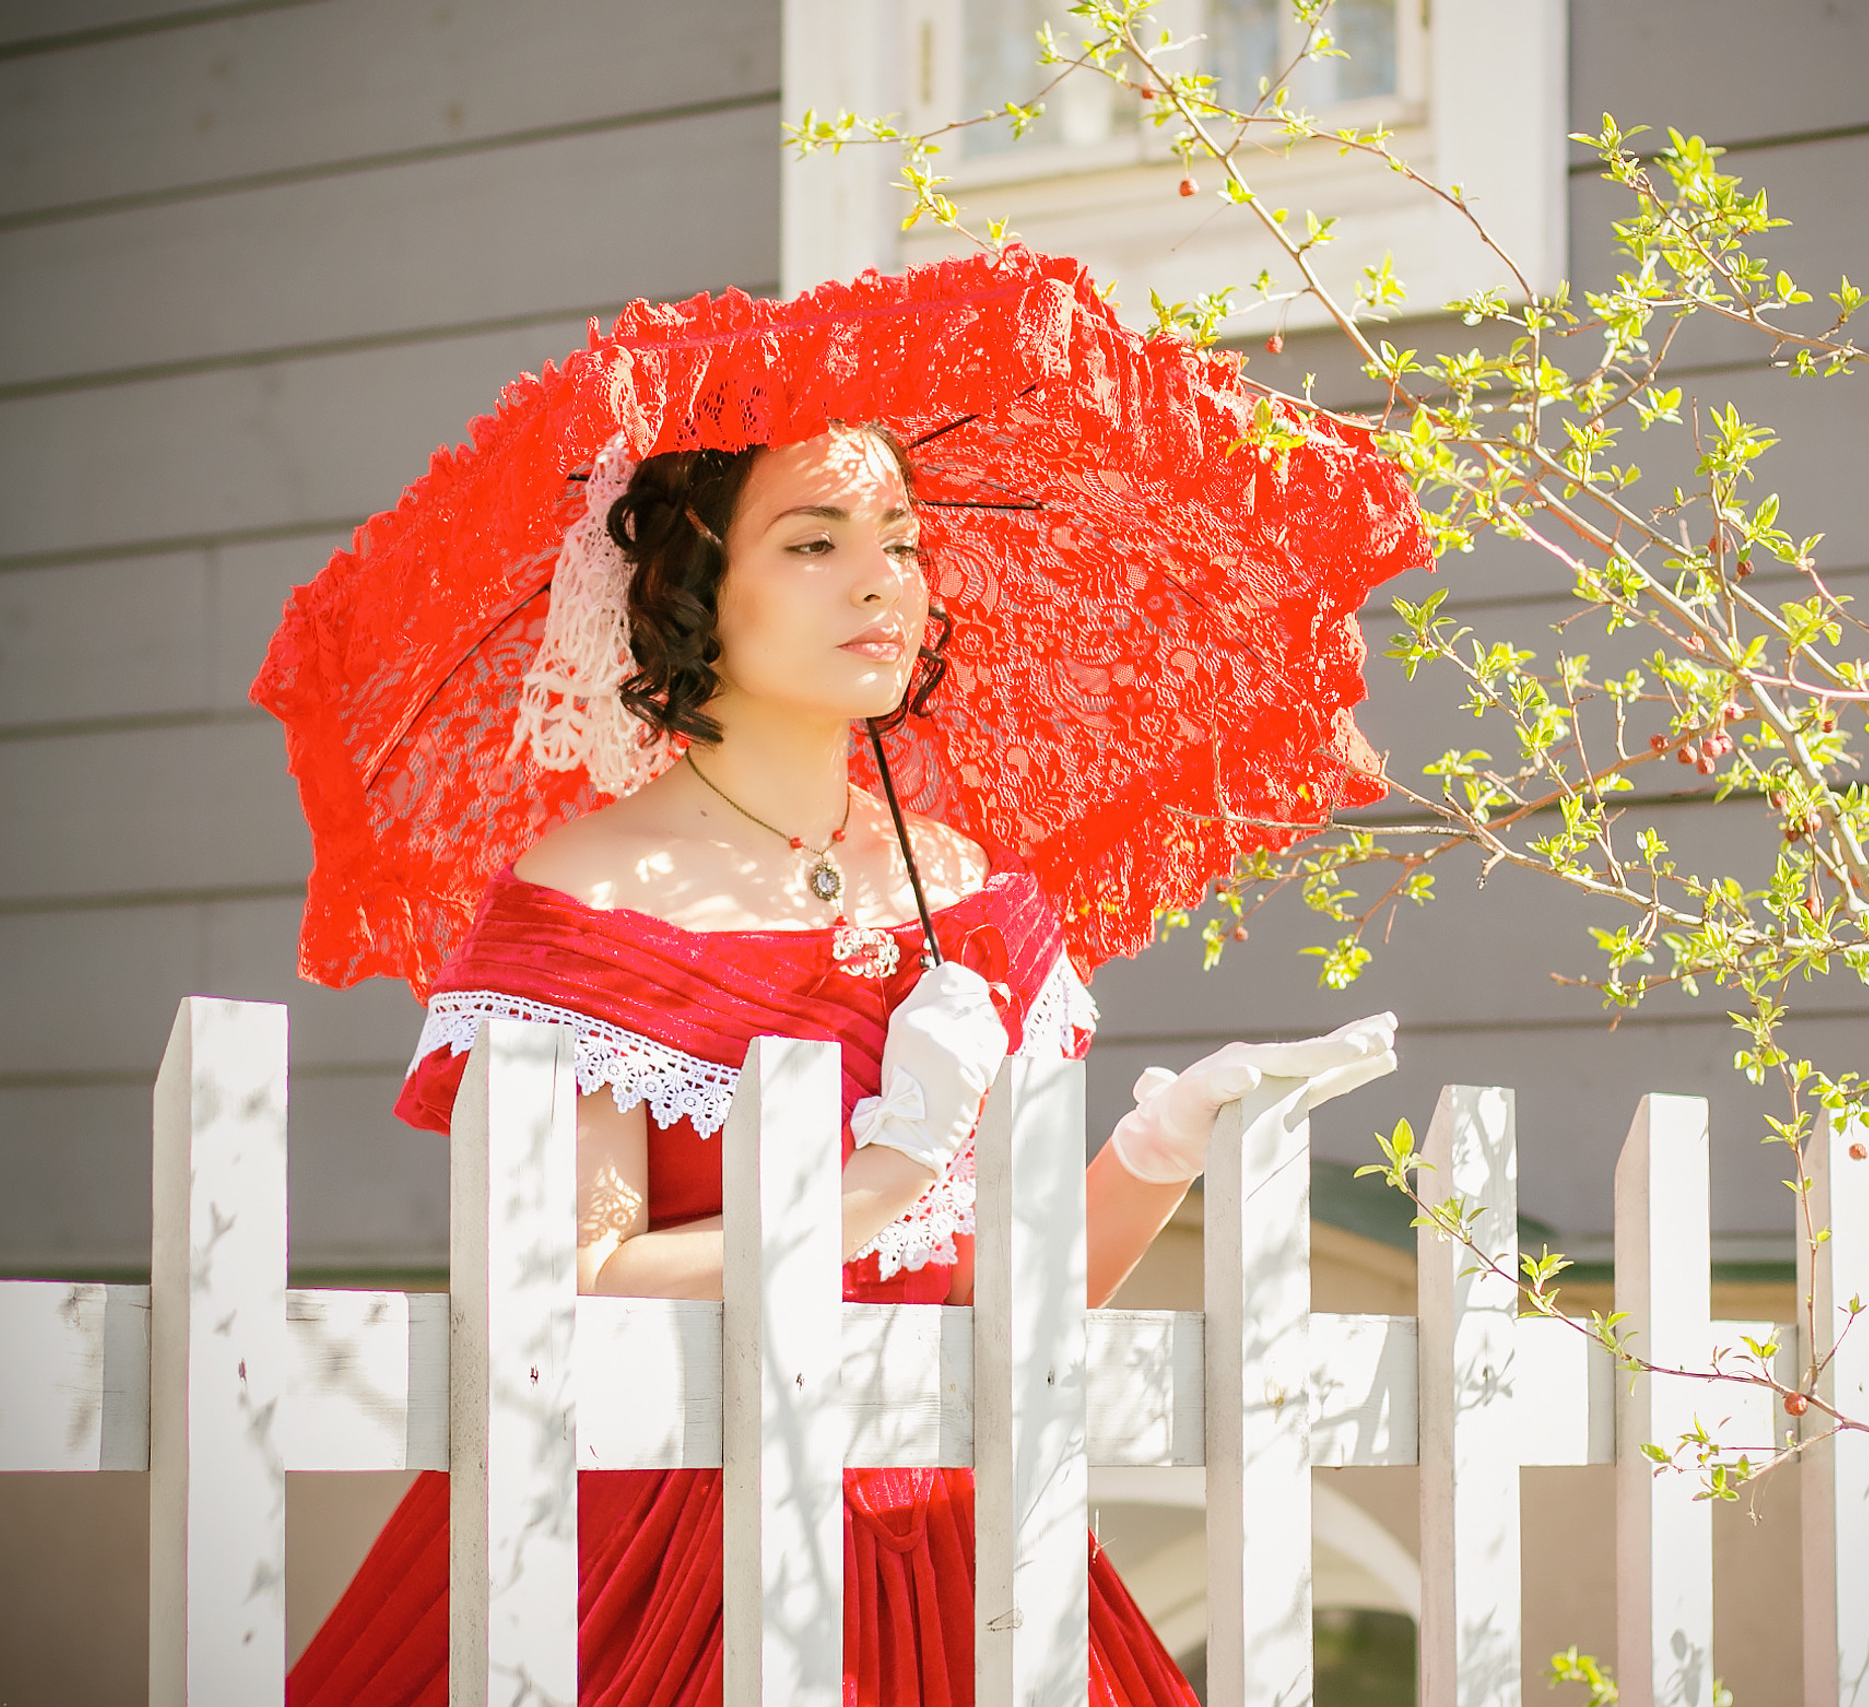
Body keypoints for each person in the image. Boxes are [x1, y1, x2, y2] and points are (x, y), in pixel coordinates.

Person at [287, 424, 1397, 1706]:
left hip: (946, 1527)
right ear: (692, 594)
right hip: (659, 1524)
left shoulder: (969, 889)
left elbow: (1011, 1298)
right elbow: (579, 1281)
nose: (881, 582)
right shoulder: (581, 897)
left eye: (903, 544)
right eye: (815, 542)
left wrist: (1167, 1144)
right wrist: (879, 1181)